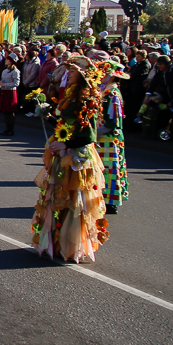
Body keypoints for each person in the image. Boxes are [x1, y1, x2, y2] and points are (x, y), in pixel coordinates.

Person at [30, 56, 109, 262]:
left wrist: (66, 144)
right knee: (59, 198)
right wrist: (49, 115)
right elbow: (66, 124)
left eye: (72, 72)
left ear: (83, 78)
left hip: (75, 157)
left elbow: (88, 135)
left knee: (74, 200)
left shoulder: (83, 100)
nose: (68, 75)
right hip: (65, 153)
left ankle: (70, 244)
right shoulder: (71, 96)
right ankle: (57, 242)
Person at [97, 60, 130, 214]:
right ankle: (100, 198)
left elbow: (113, 122)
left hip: (108, 137)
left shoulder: (112, 94)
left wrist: (97, 132)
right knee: (101, 169)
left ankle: (111, 202)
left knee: (110, 170)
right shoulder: (104, 90)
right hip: (101, 135)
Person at [0, 53, 21, 136]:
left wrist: (5, 85)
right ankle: (7, 129)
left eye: (8, 60)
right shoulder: (5, 70)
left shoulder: (15, 71)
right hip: (5, 91)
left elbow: (16, 83)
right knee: (5, 112)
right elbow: (3, 80)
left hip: (11, 92)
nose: (6, 60)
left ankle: (11, 129)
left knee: (10, 112)